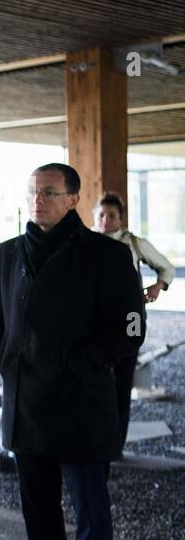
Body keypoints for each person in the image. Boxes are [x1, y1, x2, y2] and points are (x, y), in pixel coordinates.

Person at [0, 164, 145, 540]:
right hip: (26, 401)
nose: (38, 200)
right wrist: (2, 358)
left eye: (49, 192)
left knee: (91, 511)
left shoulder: (105, 256)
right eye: (33, 192)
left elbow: (132, 324)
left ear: (74, 199)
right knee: (38, 508)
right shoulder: (8, 254)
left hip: (82, 404)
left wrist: (87, 363)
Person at [93, 191, 175, 456]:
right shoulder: (86, 242)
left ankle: (115, 443)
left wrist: (157, 287)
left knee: (122, 379)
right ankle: (96, 439)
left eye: (112, 216)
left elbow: (166, 267)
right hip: (97, 322)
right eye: (101, 215)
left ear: (121, 218)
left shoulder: (135, 243)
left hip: (131, 320)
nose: (106, 221)